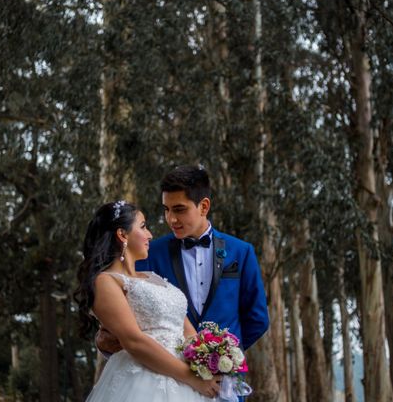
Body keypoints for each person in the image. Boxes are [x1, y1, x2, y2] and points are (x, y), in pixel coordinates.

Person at [99, 165, 269, 356]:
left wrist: (227, 356)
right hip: (168, 372)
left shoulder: (241, 252)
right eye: (166, 210)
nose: (171, 219)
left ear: (204, 206)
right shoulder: (149, 253)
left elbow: (257, 318)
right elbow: (125, 318)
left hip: (226, 375)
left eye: (179, 210)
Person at [76, 200, 221, 401]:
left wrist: (206, 361)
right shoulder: (106, 281)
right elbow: (134, 341)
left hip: (189, 381)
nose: (150, 234)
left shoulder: (153, 277)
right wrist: (191, 379)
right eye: (143, 226)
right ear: (122, 234)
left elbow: (185, 327)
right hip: (144, 380)